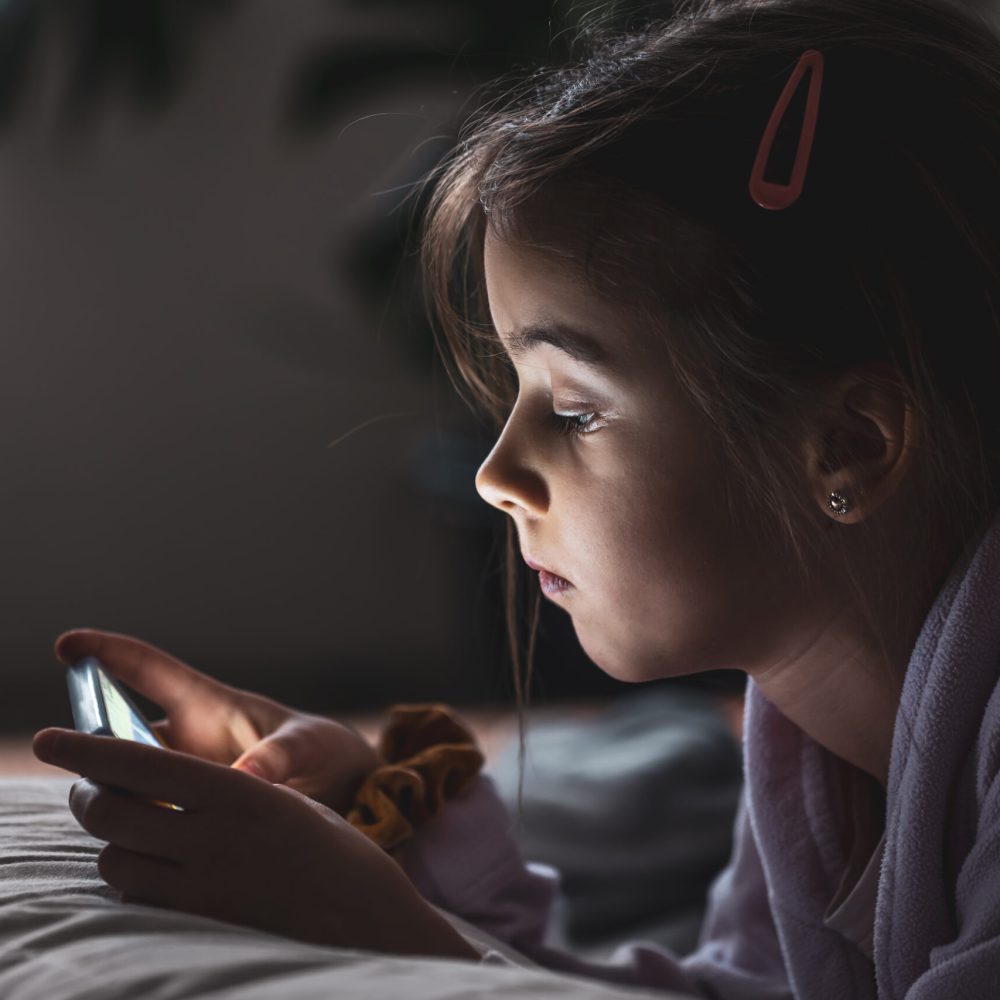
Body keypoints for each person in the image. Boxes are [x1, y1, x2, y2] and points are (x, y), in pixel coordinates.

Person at [31, 0, 1000, 995]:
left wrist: (387, 936)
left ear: (848, 445)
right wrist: (379, 814)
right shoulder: (808, 740)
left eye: (575, 410)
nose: (494, 475)